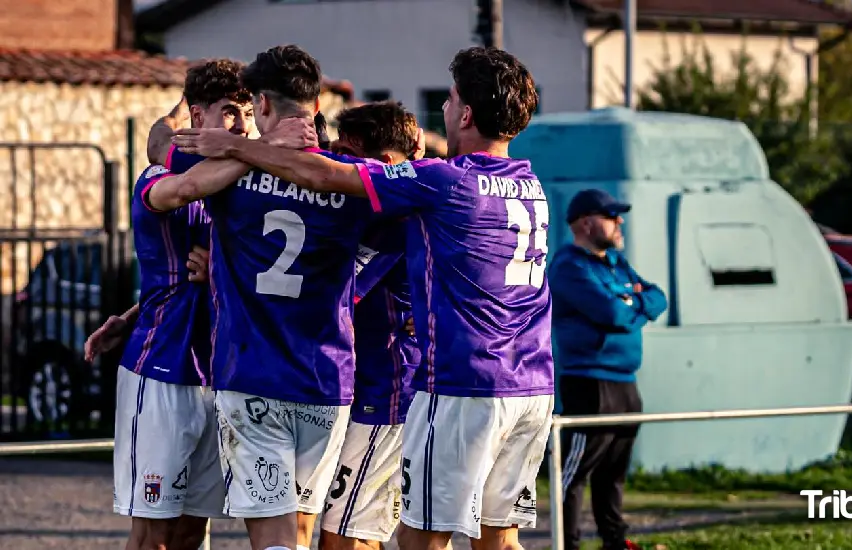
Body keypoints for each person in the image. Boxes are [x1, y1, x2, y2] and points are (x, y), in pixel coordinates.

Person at [170, 45, 554, 550]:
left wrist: (237, 147)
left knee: (418, 540)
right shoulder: (532, 185)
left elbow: (326, 175)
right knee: (500, 541)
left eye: (450, 96)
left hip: (464, 382)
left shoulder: (442, 181)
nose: (440, 107)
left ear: (465, 113)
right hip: (533, 385)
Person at [153, 45, 371, 550]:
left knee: (272, 537)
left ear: (263, 108)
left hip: (252, 376)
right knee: (299, 531)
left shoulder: (229, 171)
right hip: (326, 380)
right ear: (316, 108)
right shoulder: (348, 177)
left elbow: (159, 144)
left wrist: (190, 124)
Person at [105, 59, 253, 550]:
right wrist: (262, 153)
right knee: (155, 536)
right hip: (161, 373)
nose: (241, 126)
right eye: (230, 112)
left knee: (194, 532)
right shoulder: (160, 177)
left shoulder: (246, 191)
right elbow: (180, 175)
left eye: (248, 114)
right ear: (196, 115)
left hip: (219, 378)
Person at [319, 101, 422, 550]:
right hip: (363, 388)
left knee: (346, 537)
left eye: (344, 155)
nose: (334, 166)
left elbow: (334, 287)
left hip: (388, 392)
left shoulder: (395, 218)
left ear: (380, 165)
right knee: (364, 532)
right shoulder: (380, 206)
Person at [547, 189, 667, 550]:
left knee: (613, 473)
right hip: (589, 383)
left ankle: (614, 542)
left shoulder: (616, 262)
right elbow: (612, 315)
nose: (620, 222)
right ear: (586, 222)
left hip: (626, 383)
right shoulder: (569, 266)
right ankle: (566, 544)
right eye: (612, 216)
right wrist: (631, 301)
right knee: (574, 474)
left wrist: (633, 301)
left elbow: (659, 296)